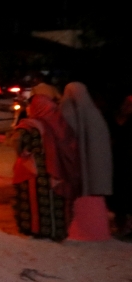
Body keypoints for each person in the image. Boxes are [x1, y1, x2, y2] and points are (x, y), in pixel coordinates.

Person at [11, 94, 80, 241]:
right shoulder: (59, 123)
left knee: (34, 201)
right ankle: (56, 231)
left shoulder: (28, 125)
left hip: (33, 172)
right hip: (57, 170)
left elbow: (18, 144)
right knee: (55, 201)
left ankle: (35, 229)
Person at [59, 82, 112, 240]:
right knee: (94, 199)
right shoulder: (95, 115)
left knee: (82, 200)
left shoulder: (67, 111)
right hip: (96, 173)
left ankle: (81, 230)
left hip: (75, 168)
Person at [110, 95, 132, 237]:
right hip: (117, 160)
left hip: (129, 161)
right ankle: (120, 224)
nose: (126, 106)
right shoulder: (113, 117)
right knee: (119, 194)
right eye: (126, 103)